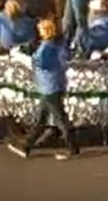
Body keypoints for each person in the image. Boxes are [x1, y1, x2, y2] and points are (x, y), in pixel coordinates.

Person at [6, 19, 79, 161]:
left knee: (60, 119)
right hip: (56, 84)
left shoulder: (46, 47)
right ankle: (26, 146)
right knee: (42, 119)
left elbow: (37, 64)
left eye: (40, 30)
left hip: (48, 87)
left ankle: (72, 148)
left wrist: (19, 56)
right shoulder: (59, 45)